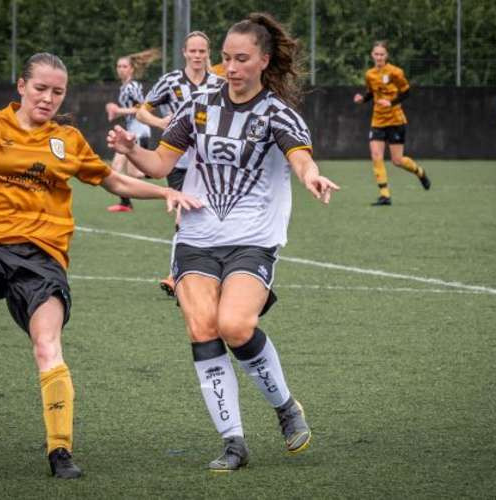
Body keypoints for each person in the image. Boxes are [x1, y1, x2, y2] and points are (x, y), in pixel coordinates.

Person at [0, 52, 201, 479]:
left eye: (57, 91)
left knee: (48, 348)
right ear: (21, 86)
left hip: (44, 259)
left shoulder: (67, 138)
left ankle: (59, 452)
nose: (48, 98)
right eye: (41, 88)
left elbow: (113, 180)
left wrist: (165, 195)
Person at [108, 13, 339, 471]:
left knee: (235, 325)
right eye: (226, 58)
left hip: (252, 239)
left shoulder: (277, 112)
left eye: (241, 59)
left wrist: (312, 177)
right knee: (202, 328)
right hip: (196, 234)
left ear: (263, 61)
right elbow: (159, 164)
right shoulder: (197, 105)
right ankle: (233, 441)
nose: (230, 67)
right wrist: (131, 149)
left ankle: (285, 407)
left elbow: (300, 158)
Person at [136, 31, 224, 297]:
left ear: (208, 54)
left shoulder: (219, 84)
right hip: (178, 160)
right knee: (184, 216)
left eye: (202, 51)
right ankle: (176, 275)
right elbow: (142, 111)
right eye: (192, 51)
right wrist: (161, 123)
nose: (197, 56)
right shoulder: (170, 81)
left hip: (210, 162)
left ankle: (208, 271)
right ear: (184, 53)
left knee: (212, 216)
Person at [353, 40, 430, 206]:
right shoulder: (370, 74)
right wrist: (362, 99)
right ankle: (385, 195)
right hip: (378, 121)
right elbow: (371, 93)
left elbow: (406, 92)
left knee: (397, 160)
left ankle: (420, 172)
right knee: (376, 156)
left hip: (396, 119)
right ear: (372, 55)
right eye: (376, 54)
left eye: (382, 54)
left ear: (386, 56)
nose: (379, 57)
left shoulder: (396, 72)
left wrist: (392, 103)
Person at [104, 49, 159, 212]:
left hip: (138, 131)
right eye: (119, 66)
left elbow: (142, 108)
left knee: (116, 167)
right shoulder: (124, 87)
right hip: (133, 131)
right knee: (134, 174)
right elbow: (129, 110)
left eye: (124, 66)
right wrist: (114, 112)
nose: (121, 69)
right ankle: (127, 202)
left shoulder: (132, 86)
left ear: (131, 69)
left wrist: (118, 110)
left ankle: (164, 169)